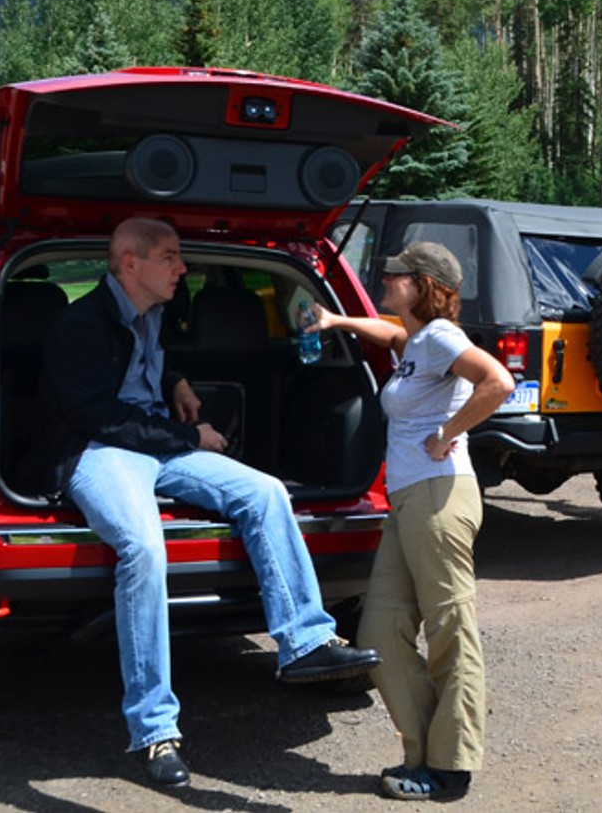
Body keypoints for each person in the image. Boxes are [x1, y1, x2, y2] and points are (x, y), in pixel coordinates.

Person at [35, 218, 378, 789]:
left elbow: (142, 366)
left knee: (266, 491)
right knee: (144, 549)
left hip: (153, 439)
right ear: (130, 264)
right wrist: (189, 438)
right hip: (100, 450)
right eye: (170, 257)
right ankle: (154, 732)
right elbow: (102, 418)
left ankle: (305, 643)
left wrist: (176, 380)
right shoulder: (79, 324)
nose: (182, 268)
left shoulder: (148, 313)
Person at [312, 242, 514, 801]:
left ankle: (450, 769)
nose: (385, 274)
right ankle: (424, 752)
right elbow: (392, 335)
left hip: (439, 496)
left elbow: (496, 381)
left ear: (423, 283)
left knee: (451, 628)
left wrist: (449, 433)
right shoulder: (420, 341)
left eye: (396, 272)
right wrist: (335, 319)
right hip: (409, 501)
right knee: (378, 631)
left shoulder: (444, 339)